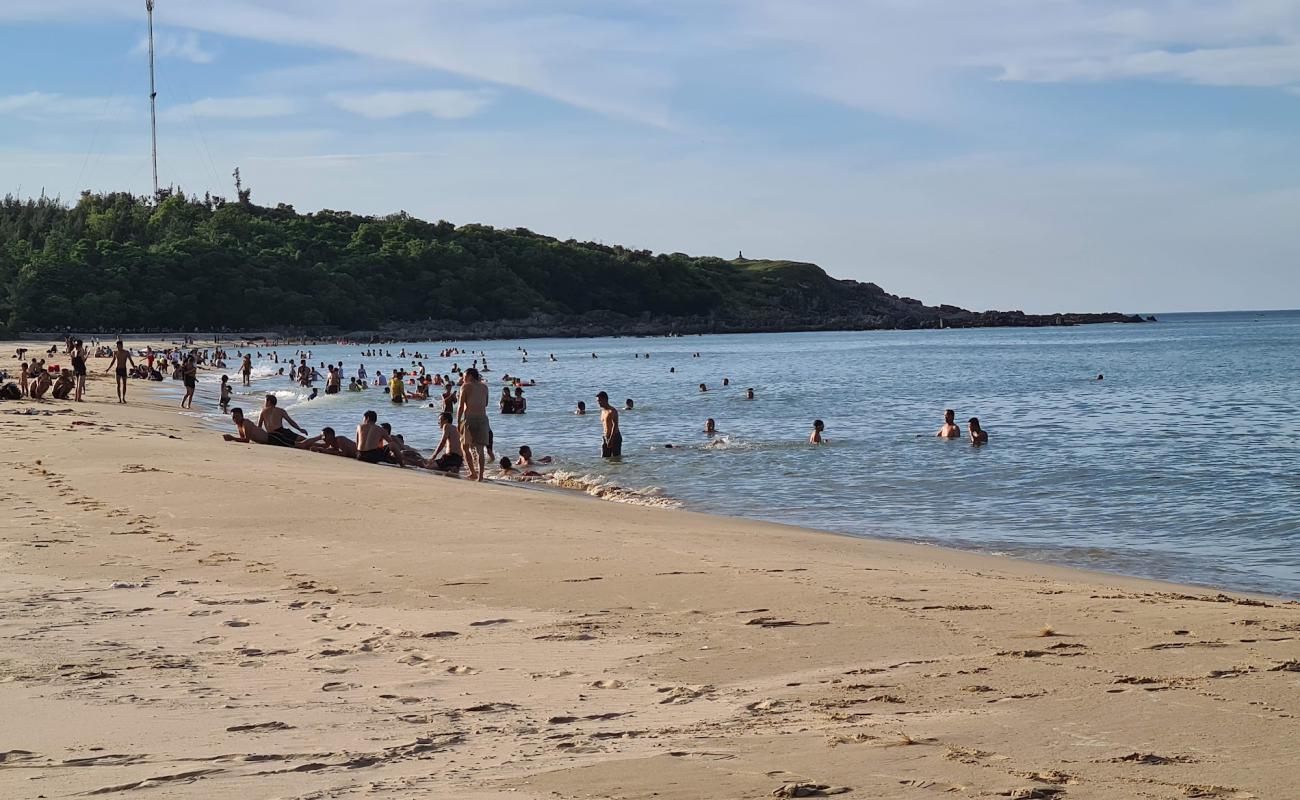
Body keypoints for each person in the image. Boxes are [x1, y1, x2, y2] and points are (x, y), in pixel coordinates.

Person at [457, 367, 491, 481]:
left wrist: (458, 422)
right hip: (483, 419)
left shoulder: (465, 386)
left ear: (470, 376)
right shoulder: (484, 387)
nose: (463, 378)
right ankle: (480, 476)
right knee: (480, 449)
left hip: (470, 419)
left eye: (464, 376)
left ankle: (473, 472)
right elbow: (485, 404)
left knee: (465, 446)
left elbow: (460, 406)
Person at [596, 391, 621, 458]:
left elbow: (615, 425)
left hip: (615, 437)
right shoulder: (603, 411)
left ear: (605, 399)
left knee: (616, 459)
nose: (598, 403)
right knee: (604, 458)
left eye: (600, 401)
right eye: (598, 401)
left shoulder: (612, 411)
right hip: (605, 436)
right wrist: (605, 437)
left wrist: (611, 439)